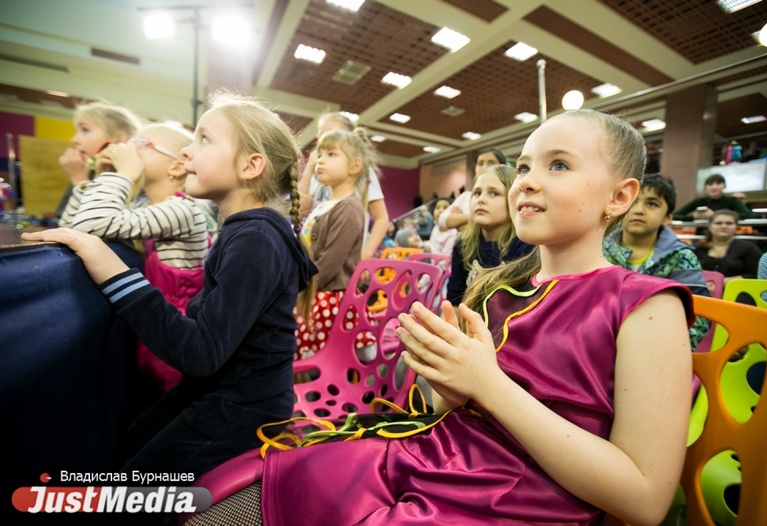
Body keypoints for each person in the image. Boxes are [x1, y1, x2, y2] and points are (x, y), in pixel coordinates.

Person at [184, 109, 694, 526]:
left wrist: (487, 386)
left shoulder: (646, 305)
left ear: (619, 197)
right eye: (523, 168)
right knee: (224, 502)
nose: (527, 183)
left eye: (558, 165)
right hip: (426, 461)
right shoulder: (500, 289)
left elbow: (645, 499)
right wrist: (446, 385)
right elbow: (450, 411)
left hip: (509, 505)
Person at [22, 92, 317, 496]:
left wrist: (113, 270)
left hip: (244, 407)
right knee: (123, 449)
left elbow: (201, 353)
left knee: (126, 495)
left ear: (250, 166)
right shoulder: (245, 230)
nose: (186, 150)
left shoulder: (257, 238)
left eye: (204, 139)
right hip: (220, 392)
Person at [58, 121, 217, 393]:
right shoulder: (143, 206)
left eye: (140, 143)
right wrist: (106, 175)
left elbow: (90, 224)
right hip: (150, 333)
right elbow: (72, 229)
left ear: (177, 166)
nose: (127, 148)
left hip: (174, 342)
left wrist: (124, 173)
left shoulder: (183, 211)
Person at [294, 128, 376, 360]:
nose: (320, 160)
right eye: (320, 154)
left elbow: (328, 266)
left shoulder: (348, 208)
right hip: (313, 291)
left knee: (322, 360)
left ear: (354, 166)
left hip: (328, 299)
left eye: (331, 154)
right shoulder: (324, 205)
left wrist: (298, 292)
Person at [603, 173, 710, 350]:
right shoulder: (599, 250)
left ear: (667, 217)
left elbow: (699, 315)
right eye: (633, 202)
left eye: (652, 204)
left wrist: (666, 350)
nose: (638, 210)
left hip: (658, 349)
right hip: (600, 347)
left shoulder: (681, 257)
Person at [298, 111, 389, 259]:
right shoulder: (319, 170)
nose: (322, 138)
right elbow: (299, 211)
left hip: (345, 255)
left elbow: (381, 218)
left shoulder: (361, 171)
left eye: (331, 133)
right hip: (317, 253)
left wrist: (366, 254)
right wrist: (309, 169)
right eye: (320, 134)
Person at [446, 164, 533, 305]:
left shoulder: (526, 246)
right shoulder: (463, 244)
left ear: (513, 200)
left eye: (494, 193)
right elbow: (453, 301)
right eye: (477, 193)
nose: (481, 199)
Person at [55, 100, 143, 219]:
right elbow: (62, 218)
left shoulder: (136, 180)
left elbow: (93, 223)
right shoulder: (89, 170)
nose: (74, 140)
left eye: (85, 130)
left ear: (119, 138)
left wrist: (79, 180)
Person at [438, 147, 508, 232]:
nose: (484, 167)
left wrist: (460, 221)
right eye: (480, 163)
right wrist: (474, 216)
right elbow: (442, 220)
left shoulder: (506, 193)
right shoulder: (465, 196)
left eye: (491, 163)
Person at [695, 209, 762, 283]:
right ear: (709, 226)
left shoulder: (750, 249)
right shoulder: (698, 249)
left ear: (736, 226)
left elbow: (755, 275)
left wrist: (721, 282)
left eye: (729, 223)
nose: (724, 226)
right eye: (718, 223)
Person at [673, 173, 753, 221]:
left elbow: (747, 215)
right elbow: (675, 215)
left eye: (718, 184)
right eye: (710, 184)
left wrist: (715, 215)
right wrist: (693, 217)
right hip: (703, 235)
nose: (714, 187)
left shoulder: (732, 200)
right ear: (705, 187)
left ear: (724, 186)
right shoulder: (699, 201)